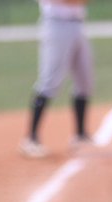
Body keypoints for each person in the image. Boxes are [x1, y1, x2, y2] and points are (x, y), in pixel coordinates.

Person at [19, 0, 93, 159]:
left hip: (78, 24)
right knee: (50, 82)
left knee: (85, 80)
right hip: (57, 26)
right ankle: (31, 139)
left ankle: (80, 136)